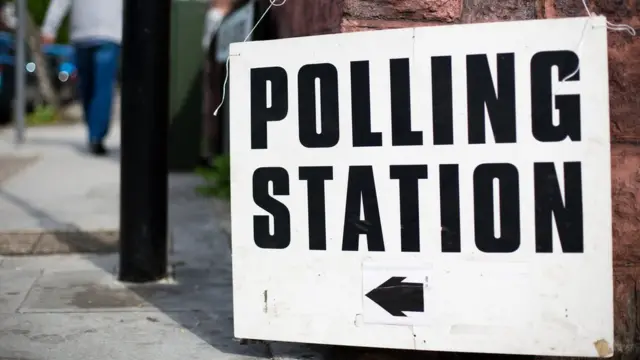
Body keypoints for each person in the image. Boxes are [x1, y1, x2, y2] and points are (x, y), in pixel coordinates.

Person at [41, 0, 122, 155]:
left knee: (95, 87)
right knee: (95, 87)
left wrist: (49, 28)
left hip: (98, 34)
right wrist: (49, 28)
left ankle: (95, 134)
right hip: (93, 35)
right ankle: (96, 134)